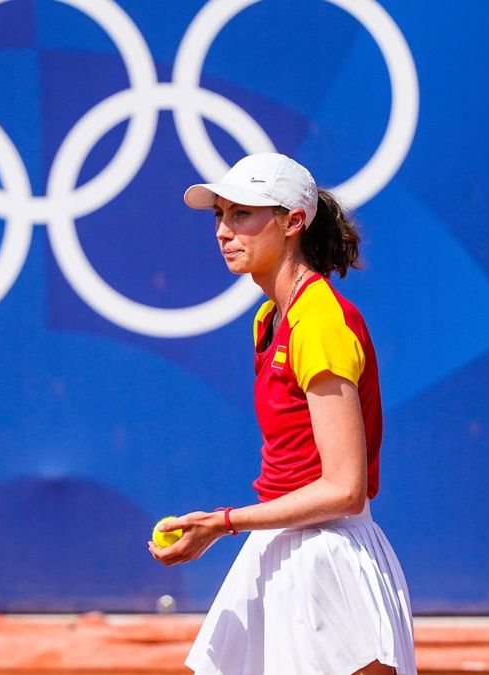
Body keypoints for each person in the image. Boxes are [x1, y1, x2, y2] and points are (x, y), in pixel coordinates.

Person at [149, 153, 415, 674]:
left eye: (243, 214)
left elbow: (345, 489)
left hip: (328, 556)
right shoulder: (270, 317)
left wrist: (224, 523)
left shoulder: (320, 322)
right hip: (281, 544)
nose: (224, 231)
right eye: (220, 215)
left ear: (294, 221)